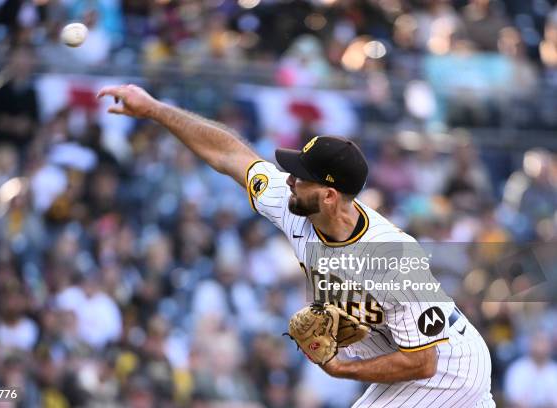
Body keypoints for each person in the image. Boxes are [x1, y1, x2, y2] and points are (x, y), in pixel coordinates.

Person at [96, 84, 496, 407]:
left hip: (448, 367)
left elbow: (421, 362)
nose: (288, 179)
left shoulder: (393, 257)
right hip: (420, 359)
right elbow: (230, 155)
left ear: (329, 196)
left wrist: (342, 369)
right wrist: (154, 109)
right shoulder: (294, 208)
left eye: (301, 177)